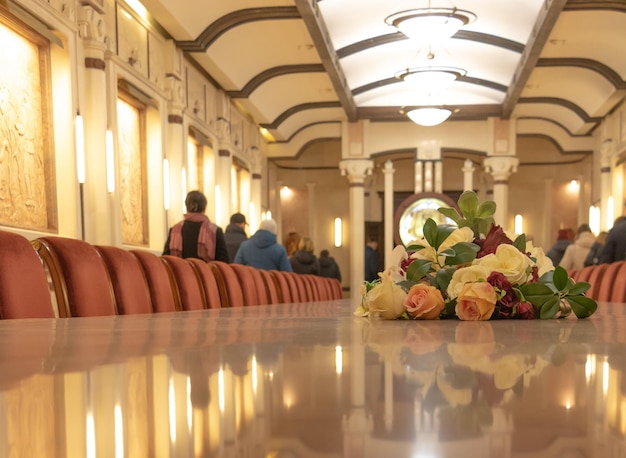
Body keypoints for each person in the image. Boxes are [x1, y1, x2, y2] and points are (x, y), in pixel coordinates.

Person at [163, 190, 229, 262]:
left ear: (186, 206)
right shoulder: (215, 231)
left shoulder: (174, 230)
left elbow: (166, 260)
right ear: (204, 208)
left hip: (179, 273)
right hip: (205, 273)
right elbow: (223, 263)